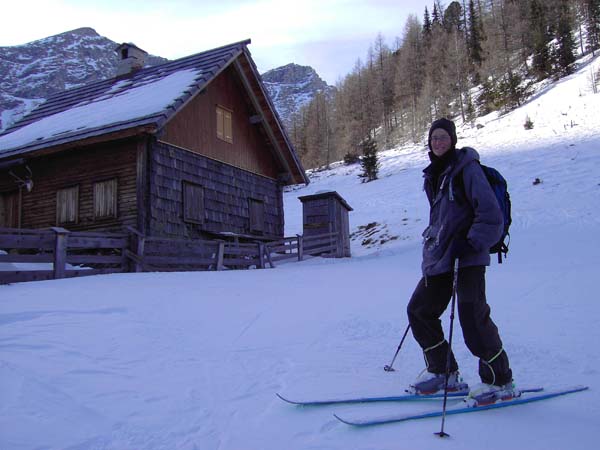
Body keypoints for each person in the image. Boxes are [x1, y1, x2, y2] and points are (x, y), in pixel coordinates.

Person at [407, 117, 514, 405]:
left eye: (443, 137)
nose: (438, 142)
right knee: (419, 311)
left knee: (472, 318)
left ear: (453, 140)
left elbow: (492, 215)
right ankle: (444, 373)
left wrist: (472, 242)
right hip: (442, 257)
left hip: (468, 257)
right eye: (434, 138)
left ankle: (500, 381)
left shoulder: (468, 170)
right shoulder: (434, 175)